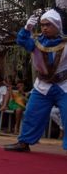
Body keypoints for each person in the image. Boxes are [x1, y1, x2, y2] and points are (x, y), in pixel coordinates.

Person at [5, 9, 67, 152]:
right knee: (32, 114)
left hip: (64, 85)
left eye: (48, 25)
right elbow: (21, 40)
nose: (44, 27)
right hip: (42, 86)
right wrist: (26, 29)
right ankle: (24, 142)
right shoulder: (36, 43)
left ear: (57, 25)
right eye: (42, 25)